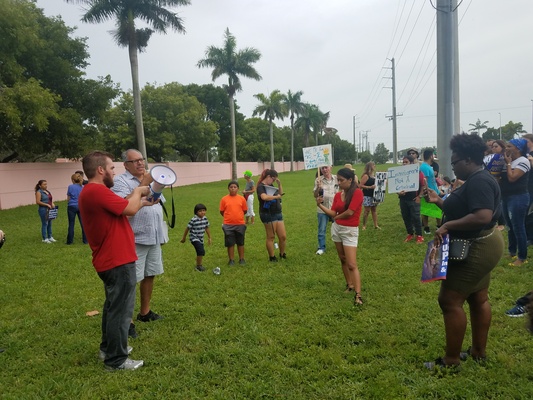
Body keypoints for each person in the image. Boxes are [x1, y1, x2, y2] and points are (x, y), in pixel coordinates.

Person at [423, 133, 504, 370]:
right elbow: (462, 207)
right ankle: (478, 352)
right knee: (478, 297)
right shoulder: (477, 179)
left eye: (455, 161)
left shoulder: (479, 181)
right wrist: (438, 200)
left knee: (449, 300)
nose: (453, 166)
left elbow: (482, 215)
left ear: (468, 159)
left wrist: (448, 225)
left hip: (477, 245)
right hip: (485, 242)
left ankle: (451, 360)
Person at [79, 150, 154, 371]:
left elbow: (126, 208)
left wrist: (142, 200)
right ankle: (116, 359)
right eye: (112, 168)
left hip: (113, 259)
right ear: (101, 170)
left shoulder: (95, 192)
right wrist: (139, 190)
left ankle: (108, 349)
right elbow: (129, 207)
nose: (114, 172)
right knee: (121, 311)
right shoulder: (96, 190)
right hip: (117, 260)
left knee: (113, 307)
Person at [112, 149, 166, 339]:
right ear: (125, 165)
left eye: (141, 160)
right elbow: (122, 205)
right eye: (134, 161)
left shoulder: (152, 178)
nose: (140, 164)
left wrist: (157, 186)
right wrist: (144, 184)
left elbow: (157, 201)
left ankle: (145, 312)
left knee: (150, 274)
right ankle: (127, 322)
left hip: (153, 235)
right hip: (135, 238)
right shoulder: (120, 181)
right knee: (130, 281)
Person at [315, 167, 364, 305]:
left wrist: (337, 218)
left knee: (352, 264)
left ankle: (358, 294)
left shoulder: (357, 193)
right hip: (336, 229)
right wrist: (320, 206)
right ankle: (350, 285)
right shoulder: (338, 195)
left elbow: (350, 212)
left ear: (350, 180)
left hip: (349, 231)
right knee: (342, 259)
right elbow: (332, 213)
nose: (339, 183)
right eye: (338, 180)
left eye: (341, 180)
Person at [501, 138, 530, 266]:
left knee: (518, 227)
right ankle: (512, 252)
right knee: (510, 227)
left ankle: (522, 257)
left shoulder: (523, 161)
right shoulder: (509, 161)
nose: (506, 148)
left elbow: (512, 178)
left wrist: (508, 164)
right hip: (506, 197)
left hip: (518, 197)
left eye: (509, 146)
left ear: (518, 149)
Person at [257, 169, 287, 262]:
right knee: (271, 236)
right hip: (267, 213)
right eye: (273, 179)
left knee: (283, 236)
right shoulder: (261, 186)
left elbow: (280, 193)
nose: (273, 181)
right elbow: (264, 197)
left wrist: (279, 184)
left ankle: (282, 254)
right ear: (268, 177)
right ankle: (272, 257)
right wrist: (276, 197)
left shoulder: (271, 186)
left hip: (278, 213)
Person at [219, 180, 247, 265]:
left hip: (240, 224)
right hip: (228, 225)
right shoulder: (224, 199)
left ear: (238, 189)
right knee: (230, 243)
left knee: (240, 242)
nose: (233, 189)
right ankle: (231, 260)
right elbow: (222, 211)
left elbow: (244, 210)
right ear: (228, 188)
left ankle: (241, 259)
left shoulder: (242, 199)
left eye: (235, 187)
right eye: (231, 187)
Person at [398, 155, 424, 243]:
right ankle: (410, 233)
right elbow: (396, 186)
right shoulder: (399, 173)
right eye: (403, 162)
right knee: (405, 217)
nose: (404, 164)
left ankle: (419, 235)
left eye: (406, 162)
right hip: (403, 199)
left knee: (416, 217)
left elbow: (423, 185)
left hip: (414, 199)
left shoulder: (418, 173)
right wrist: (399, 193)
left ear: (412, 163)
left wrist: (419, 196)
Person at [313, 165, 338, 255]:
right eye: (322, 168)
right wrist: (318, 188)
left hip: (335, 208)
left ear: (330, 168)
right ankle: (321, 247)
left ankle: (340, 244)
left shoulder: (336, 178)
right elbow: (315, 195)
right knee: (322, 229)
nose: (324, 169)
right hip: (323, 209)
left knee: (338, 227)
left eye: (326, 167)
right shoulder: (318, 180)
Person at [181, 203, 212, 272]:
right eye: (200, 211)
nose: (202, 212)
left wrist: (209, 237)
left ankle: (199, 265)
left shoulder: (205, 219)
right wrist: (184, 238)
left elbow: (207, 228)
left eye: (204, 210)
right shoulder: (193, 219)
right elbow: (187, 228)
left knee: (201, 252)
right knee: (200, 250)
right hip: (194, 238)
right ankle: (198, 266)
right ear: (196, 212)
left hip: (201, 238)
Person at [420, 149, 441, 234]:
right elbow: (424, 181)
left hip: (434, 191)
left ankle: (439, 226)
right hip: (428, 192)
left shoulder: (428, 166)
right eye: (433, 155)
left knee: (438, 209)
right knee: (425, 210)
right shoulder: (424, 167)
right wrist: (426, 192)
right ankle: (426, 227)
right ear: (431, 156)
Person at [66, 173, 87, 245]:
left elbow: (68, 198)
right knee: (83, 223)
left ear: (73, 180)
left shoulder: (70, 187)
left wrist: (69, 202)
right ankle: (85, 240)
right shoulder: (83, 187)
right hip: (81, 206)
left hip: (72, 206)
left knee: (71, 223)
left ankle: (69, 241)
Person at [360, 162, 380, 230]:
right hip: (367, 195)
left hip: (374, 195)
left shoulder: (374, 175)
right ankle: (364, 225)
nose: (375, 166)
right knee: (367, 210)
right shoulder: (366, 176)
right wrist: (370, 187)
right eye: (373, 165)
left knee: (374, 210)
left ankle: (376, 225)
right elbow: (360, 185)